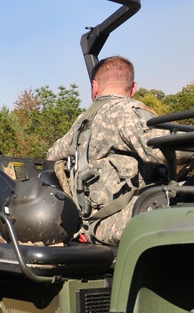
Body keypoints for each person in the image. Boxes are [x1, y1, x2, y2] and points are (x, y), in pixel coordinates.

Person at [47, 56, 186, 244]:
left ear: (95, 87)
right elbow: (168, 150)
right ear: (134, 87)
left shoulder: (83, 121)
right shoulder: (126, 112)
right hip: (122, 220)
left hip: (93, 224)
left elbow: (53, 155)